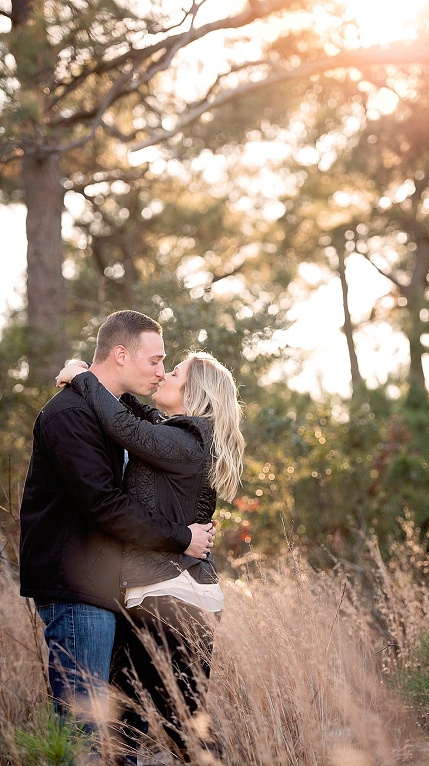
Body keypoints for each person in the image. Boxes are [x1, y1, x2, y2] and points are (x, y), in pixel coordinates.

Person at [18, 311, 214, 746]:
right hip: (77, 586)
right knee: (85, 727)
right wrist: (182, 536)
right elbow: (103, 503)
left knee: (121, 733)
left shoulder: (114, 414)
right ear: (121, 354)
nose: (162, 371)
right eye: (156, 360)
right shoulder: (70, 414)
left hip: (111, 589)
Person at [56, 350, 245, 764]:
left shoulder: (188, 441)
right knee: (147, 715)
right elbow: (141, 420)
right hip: (173, 593)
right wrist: (111, 386)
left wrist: (83, 377)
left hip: (171, 595)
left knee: (169, 721)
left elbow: (126, 427)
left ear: (192, 391)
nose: (164, 375)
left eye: (174, 372)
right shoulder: (182, 435)